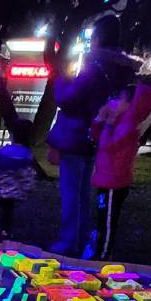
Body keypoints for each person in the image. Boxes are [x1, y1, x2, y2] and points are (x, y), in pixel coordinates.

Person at [44, 14, 136, 255]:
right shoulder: (123, 70)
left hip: (76, 135)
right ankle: (81, 237)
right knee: (83, 192)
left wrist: (61, 80)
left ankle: (68, 241)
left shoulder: (94, 67)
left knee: (71, 192)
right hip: (98, 135)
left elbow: (69, 99)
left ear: (97, 37)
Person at [86, 82, 151, 258]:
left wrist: (108, 124)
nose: (114, 102)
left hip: (114, 181)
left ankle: (103, 254)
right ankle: (98, 249)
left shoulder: (128, 125)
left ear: (130, 105)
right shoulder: (120, 121)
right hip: (105, 177)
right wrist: (100, 119)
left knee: (107, 220)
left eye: (120, 99)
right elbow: (95, 137)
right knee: (102, 216)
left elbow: (108, 145)